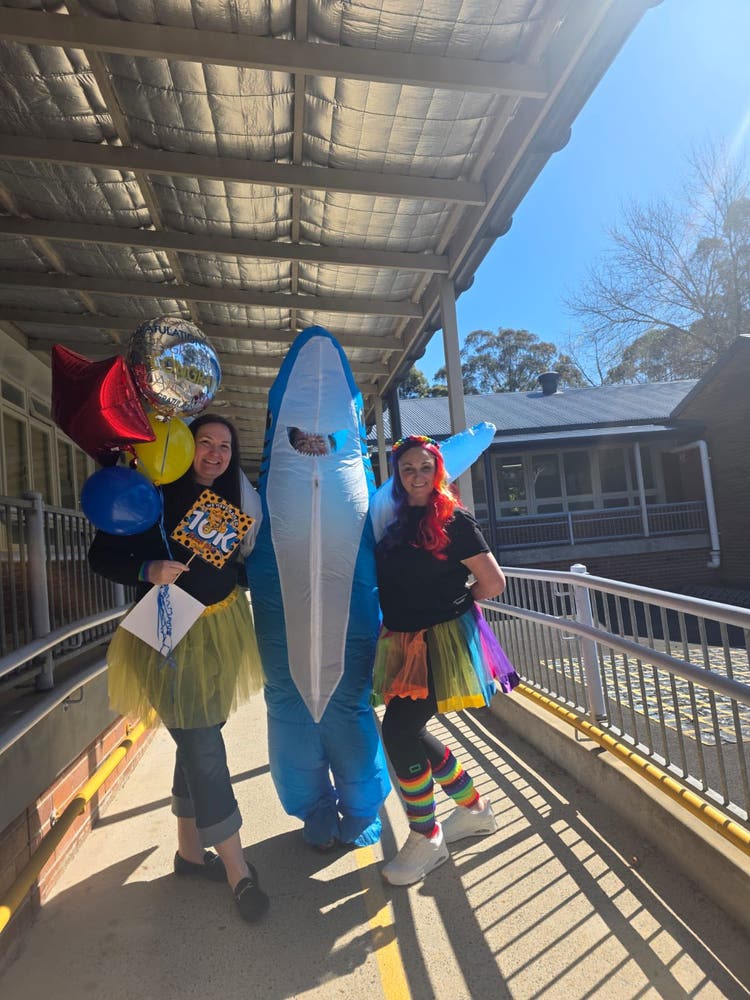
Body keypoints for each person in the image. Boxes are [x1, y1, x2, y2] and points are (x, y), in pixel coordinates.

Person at [88, 414, 269, 923]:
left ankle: (190, 856)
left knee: (201, 730)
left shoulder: (232, 503)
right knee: (203, 745)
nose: (214, 453)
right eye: (204, 442)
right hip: (167, 630)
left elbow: (235, 565)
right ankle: (238, 870)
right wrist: (147, 569)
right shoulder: (150, 495)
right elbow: (100, 556)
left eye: (224, 447)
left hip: (224, 627)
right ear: (183, 446)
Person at [373, 434, 519, 887]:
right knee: (408, 728)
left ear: (438, 470)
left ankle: (426, 834)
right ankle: (475, 810)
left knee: (398, 729)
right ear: (398, 475)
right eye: (407, 468)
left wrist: (451, 607)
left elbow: (493, 583)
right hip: (402, 640)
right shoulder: (397, 521)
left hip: (443, 641)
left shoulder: (455, 520)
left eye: (424, 467)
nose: (416, 476)